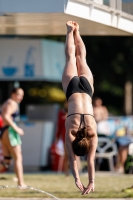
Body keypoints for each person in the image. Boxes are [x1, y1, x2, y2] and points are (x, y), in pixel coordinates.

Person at [62, 21, 98, 195]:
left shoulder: (92, 132)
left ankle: (78, 31)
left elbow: (91, 161)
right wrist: (77, 178)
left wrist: (91, 181)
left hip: (87, 90)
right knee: (71, 57)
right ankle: (70, 31)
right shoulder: (71, 131)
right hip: (72, 91)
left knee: (81, 58)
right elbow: (71, 158)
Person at [0, 87, 26, 187]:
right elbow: (5, 116)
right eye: (19, 94)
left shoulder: (8, 102)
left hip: (4, 132)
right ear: (13, 94)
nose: (21, 97)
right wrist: (17, 129)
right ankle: (21, 183)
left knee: (6, 161)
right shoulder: (11, 103)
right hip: (9, 132)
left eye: (22, 95)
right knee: (18, 158)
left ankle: (21, 182)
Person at [55, 101, 81, 176]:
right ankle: (66, 174)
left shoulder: (75, 111)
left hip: (75, 136)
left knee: (76, 155)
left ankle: (77, 174)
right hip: (65, 136)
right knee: (67, 155)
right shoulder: (61, 112)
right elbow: (59, 125)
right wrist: (57, 136)